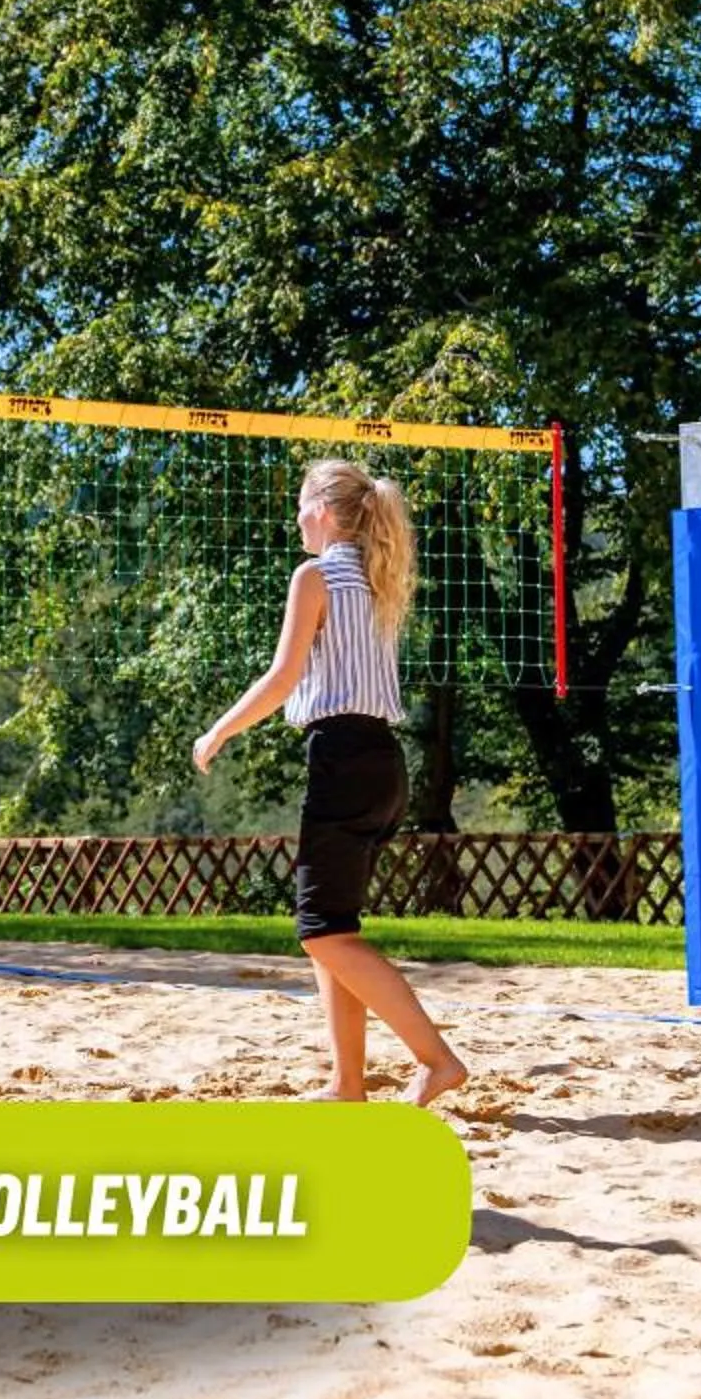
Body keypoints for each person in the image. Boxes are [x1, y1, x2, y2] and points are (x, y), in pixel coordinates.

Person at [192, 458, 467, 1105]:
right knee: (334, 932)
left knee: (320, 931)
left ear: (321, 508)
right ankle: (347, 1083)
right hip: (382, 763)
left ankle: (436, 1060)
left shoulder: (314, 576)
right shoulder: (377, 580)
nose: (294, 517)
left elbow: (282, 678)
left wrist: (220, 730)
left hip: (343, 760)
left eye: (298, 504)